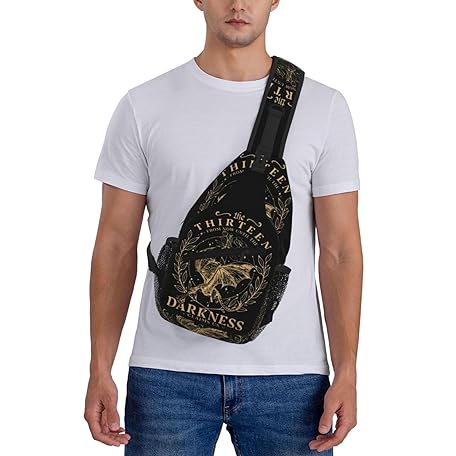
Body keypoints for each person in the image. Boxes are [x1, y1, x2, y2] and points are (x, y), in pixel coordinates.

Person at [84, 1, 363, 454]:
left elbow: (341, 250)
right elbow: (115, 243)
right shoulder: (144, 105)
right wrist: (100, 368)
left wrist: (347, 371)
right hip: (166, 373)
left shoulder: (323, 107)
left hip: (290, 377)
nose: (238, 4)